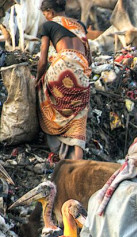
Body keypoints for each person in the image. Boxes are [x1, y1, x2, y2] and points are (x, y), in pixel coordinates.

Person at [36, 0, 91, 160]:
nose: (45, 17)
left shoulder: (48, 25)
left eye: (45, 14)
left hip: (61, 68)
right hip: (81, 69)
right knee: (80, 113)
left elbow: (43, 61)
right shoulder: (80, 24)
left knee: (43, 92)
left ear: (50, 12)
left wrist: (38, 80)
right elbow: (89, 58)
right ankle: (78, 160)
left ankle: (56, 144)